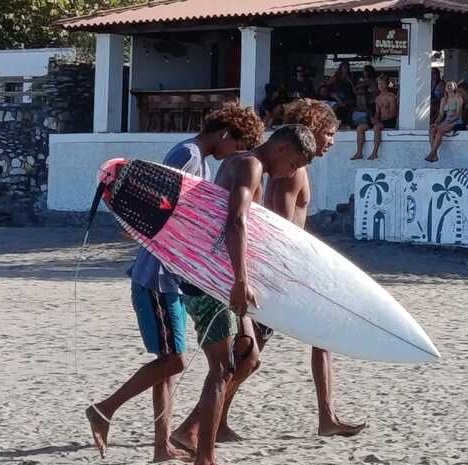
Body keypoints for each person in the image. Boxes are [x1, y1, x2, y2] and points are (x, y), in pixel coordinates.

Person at [84, 102, 264, 462]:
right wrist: (137, 229)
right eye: (239, 143)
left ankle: (161, 447)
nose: (237, 154)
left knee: (169, 362)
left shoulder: (203, 160)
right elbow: (156, 198)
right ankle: (104, 409)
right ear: (226, 133)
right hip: (158, 275)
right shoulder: (188, 153)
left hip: (175, 276)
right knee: (174, 362)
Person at [208, 99, 366, 441]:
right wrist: (293, 271)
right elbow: (278, 223)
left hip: (287, 268)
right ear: (310, 129)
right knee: (249, 356)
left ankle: (327, 416)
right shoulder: (290, 169)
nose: (332, 141)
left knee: (318, 337)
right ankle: (207, 423)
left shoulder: (294, 165)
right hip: (279, 271)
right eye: (329, 132)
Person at [171, 125, 316, 465]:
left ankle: (190, 434)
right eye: (293, 163)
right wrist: (240, 280)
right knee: (222, 368)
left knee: (247, 359)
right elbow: (235, 222)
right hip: (214, 279)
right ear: (280, 149)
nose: (292, 173)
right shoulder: (249, 165)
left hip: (225, 276)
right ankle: (204, 456)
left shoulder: (245, 163)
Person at [351, 75, 398, 161]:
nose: (380, 86)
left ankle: (375, 152)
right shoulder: (378, 98)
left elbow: (393, 113)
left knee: (376, 127)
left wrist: (379, 121)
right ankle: (359, 152)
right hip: (380, 121)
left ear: (386, 84)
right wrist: (374, 119)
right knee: (360, 127)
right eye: (379, 84)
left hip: (389, 121)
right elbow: (377, 113)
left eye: (382, 84)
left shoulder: (391, 97)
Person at [426, 81, 464, 163]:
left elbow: (458, 114)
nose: (449, 87)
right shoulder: (444, 99)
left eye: (451, 85)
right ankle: (434, 154)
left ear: (455, 87)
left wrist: (448, 122)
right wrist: (436, 123)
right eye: (447, 85)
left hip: (456, 121)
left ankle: (432, 153)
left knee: (440, 130)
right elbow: (440, 115)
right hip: (446, 121)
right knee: (432, 129)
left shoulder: (458, 98)